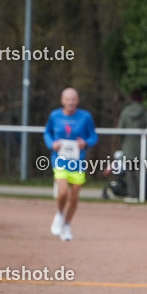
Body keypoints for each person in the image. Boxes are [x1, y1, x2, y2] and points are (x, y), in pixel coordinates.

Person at [45, 87, 98, 241]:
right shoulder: (54, 116)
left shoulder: (85, 116)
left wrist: (85, 143)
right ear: (62, 101)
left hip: (78, 163)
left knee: (74, 198)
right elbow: (47, 133)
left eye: (73, 99)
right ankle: (59, 214)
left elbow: (94, 136)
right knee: (62, 192)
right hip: (60, 161)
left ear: (78, 100)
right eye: (68, 99)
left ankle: (67, 225)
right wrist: (52, 144)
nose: (71, 102)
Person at [117, 89, 147, 202]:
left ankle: (132, 195)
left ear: (131, 99)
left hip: (128, 147)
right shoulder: (144, 111)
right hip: (141, 147)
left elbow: (120, 130)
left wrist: (123, 142)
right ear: (141, 99)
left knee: (129, 172)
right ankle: (141, 195)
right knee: (141, 172)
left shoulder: (126, 112)